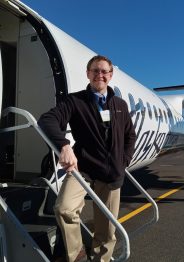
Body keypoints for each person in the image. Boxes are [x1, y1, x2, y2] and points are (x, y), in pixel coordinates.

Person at [38, 55, 136, 262]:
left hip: (112, 174)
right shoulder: (75, 101)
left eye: (104, 71)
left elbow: (130, 135)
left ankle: (101, 259)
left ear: (110, 75)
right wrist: (64, 145)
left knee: (106, 229)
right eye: (95, 71)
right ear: (88, 74)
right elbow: (48, 120)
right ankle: (76, 254)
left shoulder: (120, 105)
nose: (99, 75)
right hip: (84, 168)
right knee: (64, 208)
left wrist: (124, 160)